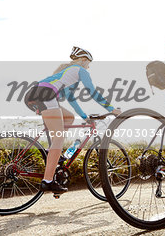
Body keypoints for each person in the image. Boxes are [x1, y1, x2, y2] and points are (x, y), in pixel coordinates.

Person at [24, 46, 121, 193]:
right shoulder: (81, 71)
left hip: (34, 94)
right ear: (83, 60)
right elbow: (93, 92)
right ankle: (48, 181)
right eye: (89, 62)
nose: (89, 66)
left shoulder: (67, 73)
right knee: (59, 138)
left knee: (68, 117)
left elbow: (71, 99)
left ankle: (52, 151)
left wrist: (84, 117)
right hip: (45, 94)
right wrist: (111, 109)